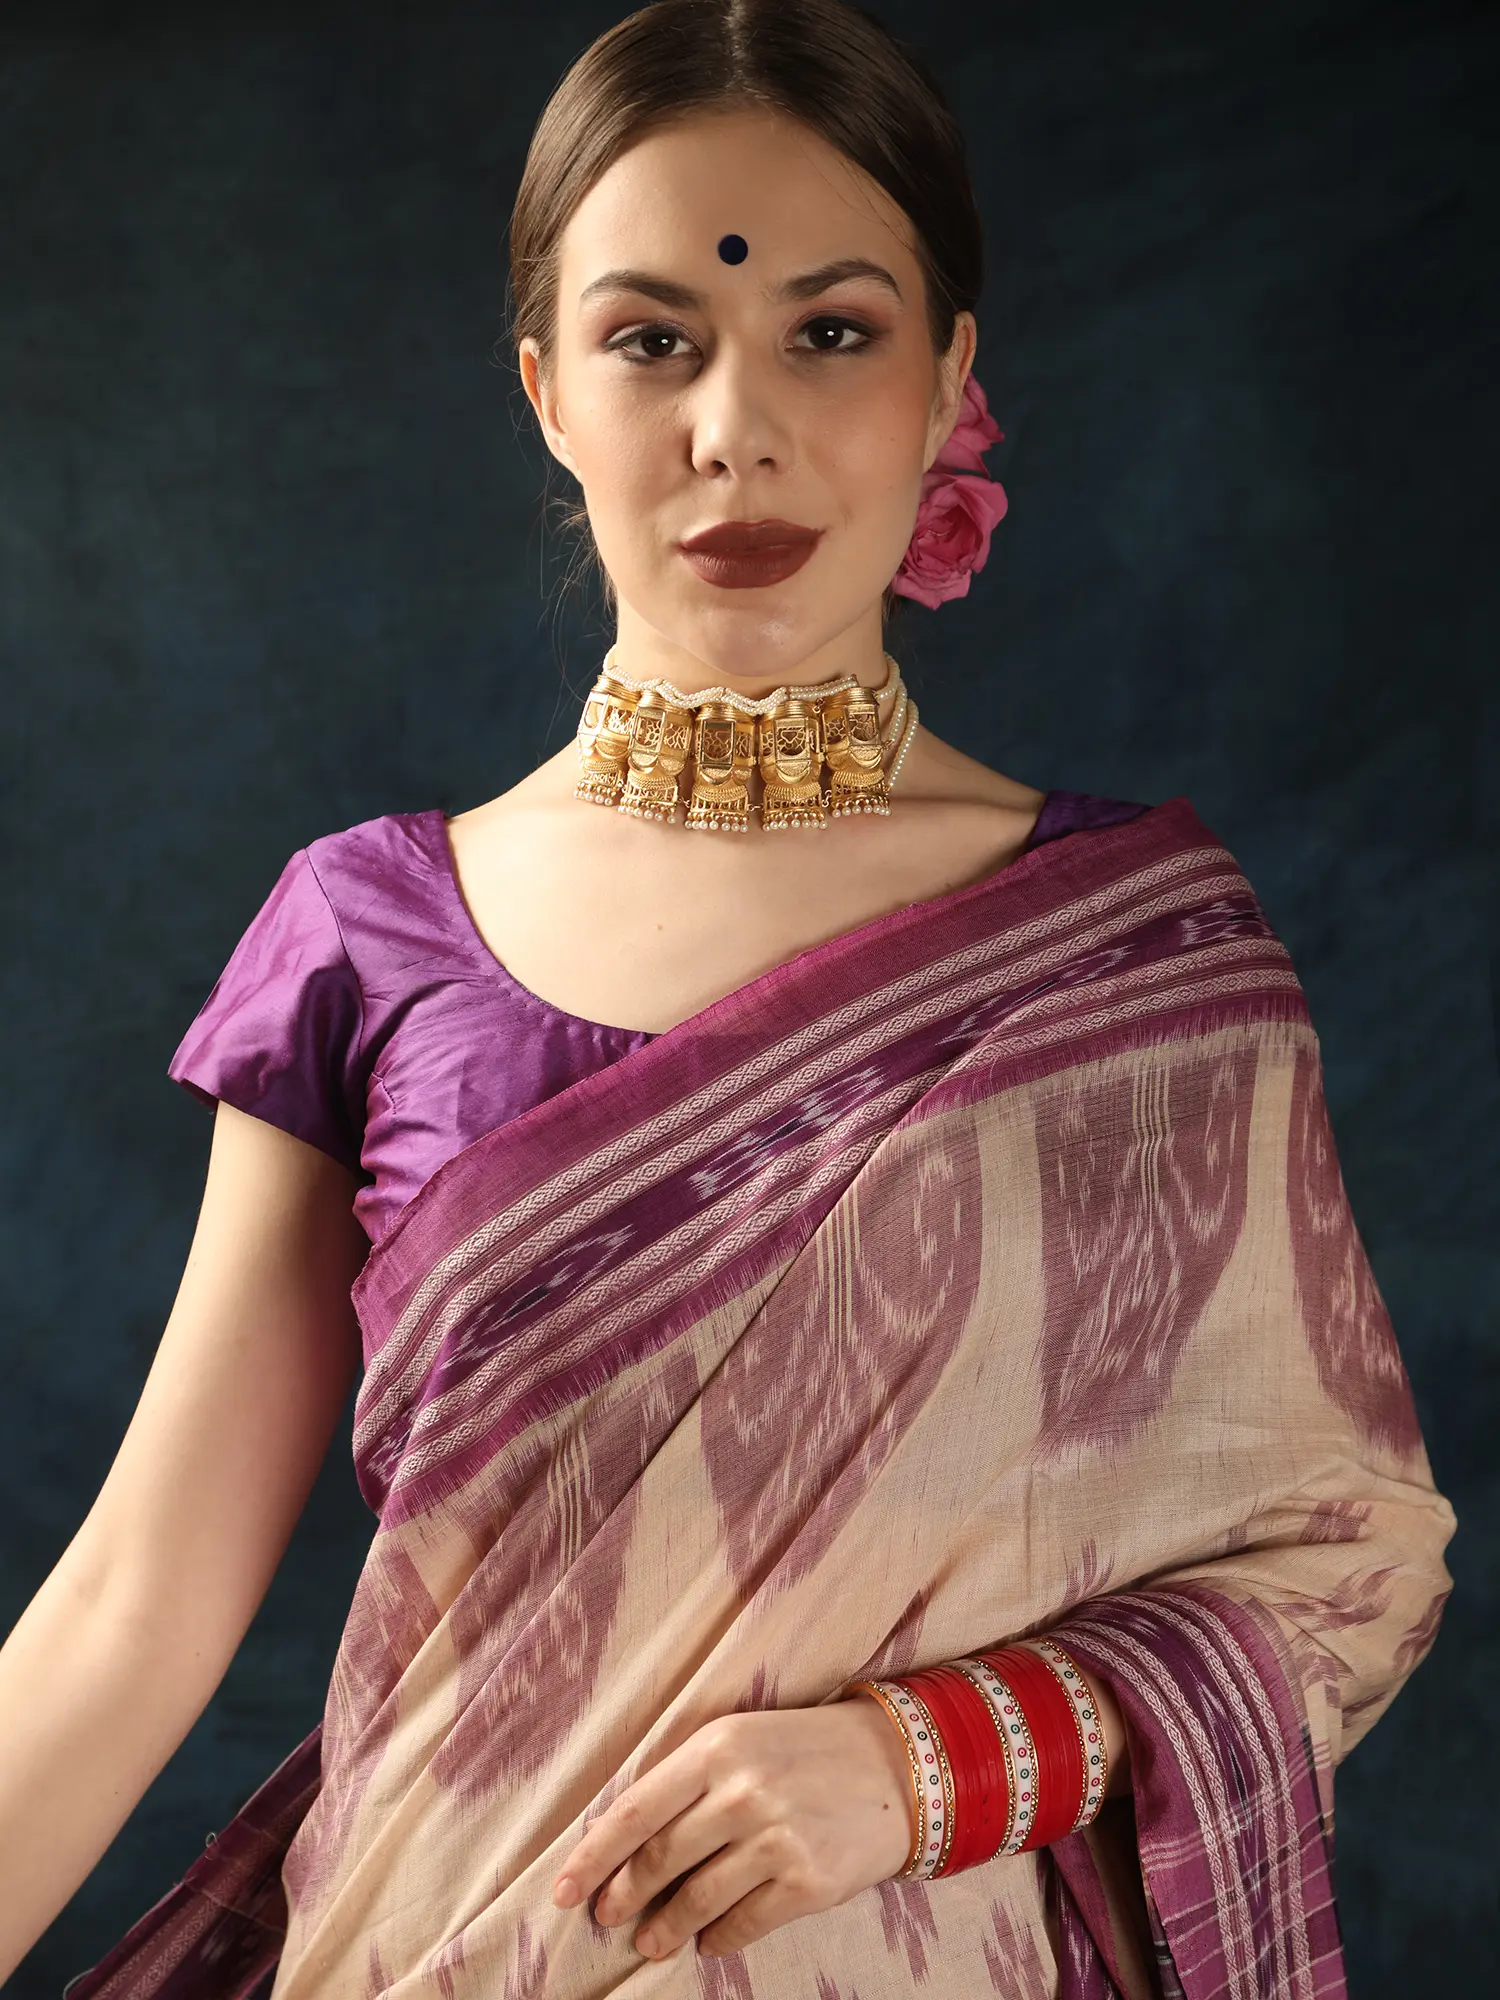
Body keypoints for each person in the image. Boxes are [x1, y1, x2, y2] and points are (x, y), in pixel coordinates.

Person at [0, 2, 1455, 1995]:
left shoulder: (1143, 965)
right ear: (546, 390)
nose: (734, 427)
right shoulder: (370, 935)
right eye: (654, 339)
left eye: (831, 333)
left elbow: (1347, 1566)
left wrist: (926, 1762)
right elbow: (133, 1609)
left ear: (951, 382)